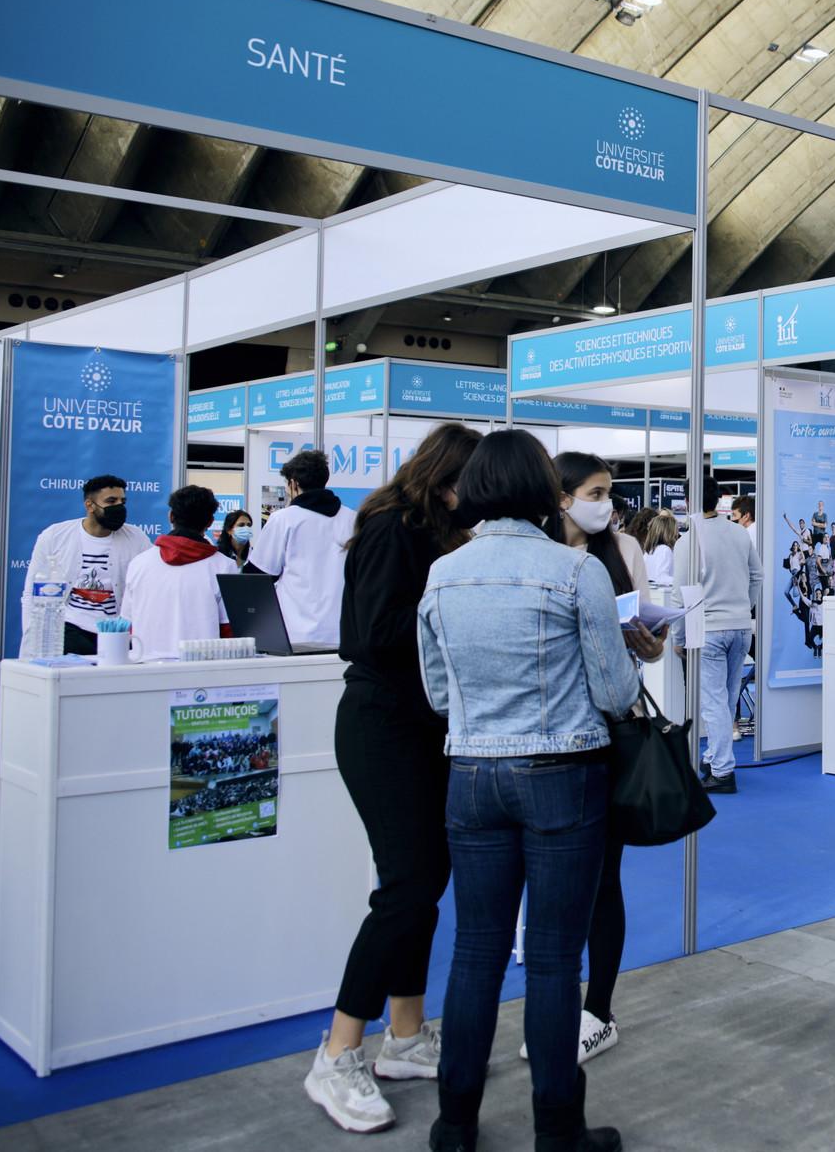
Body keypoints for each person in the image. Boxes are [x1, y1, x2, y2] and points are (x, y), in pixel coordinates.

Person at [416, 430, 638, 1152]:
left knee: (475, 951)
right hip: (562, 776)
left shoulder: (443, 574)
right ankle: (557, 1129)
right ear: (546, 489)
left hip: (471, 774)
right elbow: (613, 691)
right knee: (550, 958)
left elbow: (438, 694)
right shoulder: (575, 572)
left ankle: (454, 1125)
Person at [305, 424, 479, 1136]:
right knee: (407, 885)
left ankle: (405, 1036)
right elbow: (376, 633)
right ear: (447, 477)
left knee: (425, 878)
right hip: (381, 725)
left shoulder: (438, 530)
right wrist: (461, 598)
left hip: (425, 725)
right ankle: (339, 1050)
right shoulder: (390, 527)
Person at [552, 452, 665, 1068]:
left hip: (610, 730)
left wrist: (651, 644)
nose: (607, 503)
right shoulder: (540, 550)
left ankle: (599, 1010)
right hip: (550, 735)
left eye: (610, 492)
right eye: (597, 492)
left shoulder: (623, 550)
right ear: (563, 497)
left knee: (602, 880)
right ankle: (557, 1007)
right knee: (554, 886)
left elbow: (640, 645)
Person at [676, 475, 760, 795]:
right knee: (725, 699)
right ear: (718, 499)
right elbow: (757, 576)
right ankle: (713, 757)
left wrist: (679, 635)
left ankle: (722, 770)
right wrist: (742, 608)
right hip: (740, 627)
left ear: (688, 500)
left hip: (709, 630)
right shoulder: (739, 533)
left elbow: (680, 593)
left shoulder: (689, 540)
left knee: (713, 702)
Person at [26, 472, 151, 655]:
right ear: (89, 505)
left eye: (122, 502)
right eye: (111, 501)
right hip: (71, 628)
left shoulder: (136, 538)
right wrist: (32, 638)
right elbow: (31, 592)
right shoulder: (54, 536)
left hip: (115, 631)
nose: (118, 507)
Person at [246, 449, 355, 649]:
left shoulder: (284, 519)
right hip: (342, 633)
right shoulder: (352, 519)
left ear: (293, 483)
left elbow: (258, 574)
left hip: (295, 633)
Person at [120, 485, 231, 662]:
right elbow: (228, 630)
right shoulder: (224, 566)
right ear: (210, 522)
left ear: (171, 516)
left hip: (144, 667)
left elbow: (126, 626)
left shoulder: (139, 563)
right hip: (201, 672)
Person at [640, 512, 678, 586]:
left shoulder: (649, 552)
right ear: (668, 532)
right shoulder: (665, 550)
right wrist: (681, 581)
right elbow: (661, 577)